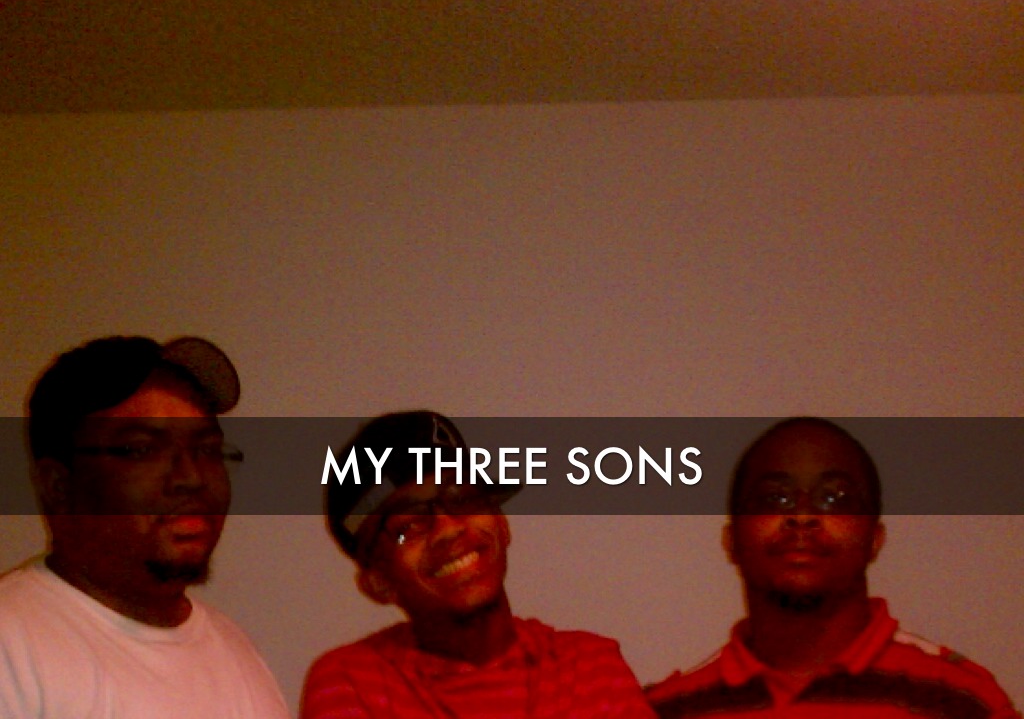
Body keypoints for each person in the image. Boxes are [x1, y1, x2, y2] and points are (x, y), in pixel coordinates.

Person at [647, 416, 1020, 719]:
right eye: (773, 498)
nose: (802, 516)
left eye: (835, 498)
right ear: (732, 540)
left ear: (874, 538)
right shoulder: (668, 710)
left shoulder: (961, 702)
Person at [0, 335, 290, 718]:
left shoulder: (238, 652)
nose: (191, 478)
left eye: (207, 450)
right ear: (58, 485)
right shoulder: (12, 646)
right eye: (142, 450)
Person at [301, 410, 654, 719]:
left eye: (462, 497)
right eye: (408, 524)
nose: (448, 528)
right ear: (379, 582)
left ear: (502, 523)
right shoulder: (351, 683)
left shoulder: (590, 667)